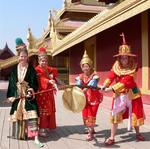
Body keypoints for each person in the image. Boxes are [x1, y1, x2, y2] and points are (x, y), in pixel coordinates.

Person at [101, 33, 145, 146]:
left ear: (129, 57)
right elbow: (111, 76)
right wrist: (105, 85)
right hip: (119, 94)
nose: (124, 59)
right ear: (119, 58)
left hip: (133, 93)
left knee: (135, 113)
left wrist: (112, 88)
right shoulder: (116, 66)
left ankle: (138, 133)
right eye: (122, 57)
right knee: (115, 114)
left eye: (126, 57)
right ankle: (112, 137)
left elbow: (127, 81)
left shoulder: (134, 66)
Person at [7, 38, 43, 148]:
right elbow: (12, 84)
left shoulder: (31, 69)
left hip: (28, 97)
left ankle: (35, 138)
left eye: (25, 56)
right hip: (18, 96)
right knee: (17, 114)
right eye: (21, 56)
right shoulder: (14, 70)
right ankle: (22, 134)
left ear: (27, 57)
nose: (23, 58)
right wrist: (12, 95)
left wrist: (30, 91)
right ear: (18, 57)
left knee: (33, 115)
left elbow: (34, 83)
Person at [75, 50, 103, 141]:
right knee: (85, 115)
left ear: (90, 66)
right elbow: (78, 83)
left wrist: (85, 88)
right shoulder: (80, 76)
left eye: (87, 66)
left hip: (94, 99)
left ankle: (90, 133)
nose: (85, 68)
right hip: (84, 99)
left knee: (91, 115)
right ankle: (91, 129)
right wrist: (78, 86)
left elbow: (92, 84)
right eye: (83, 66)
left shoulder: (95, 75)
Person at [35, 47, 58, 137]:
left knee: (49, 110)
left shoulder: (48, 68)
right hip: (41, 94)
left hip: (49, 93)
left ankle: (47, 126)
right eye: (42, 61)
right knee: (43, 111)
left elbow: (55, 71)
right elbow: (40, 78)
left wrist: (52, 75)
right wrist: (48, 81)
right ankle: (41, 129)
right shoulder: (37, 69)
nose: (43, 62)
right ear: (39, 61)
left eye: (45, 61)